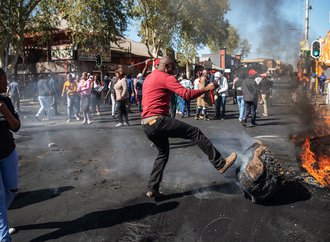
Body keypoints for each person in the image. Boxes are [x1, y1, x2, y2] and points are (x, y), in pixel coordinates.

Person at [141, 56, 237, 198]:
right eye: (173, 67)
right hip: (158, 121)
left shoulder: (149, 77)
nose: (175, 70)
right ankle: (220, 163)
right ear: (167, 66)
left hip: (146, 124)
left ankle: (152, 188)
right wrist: (206, 89)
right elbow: (186, 95)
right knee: (194, 132)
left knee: (163, 153)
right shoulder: (166, 77)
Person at [0, 68, 20, 241]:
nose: (7, 83)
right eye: (4, 79)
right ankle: (4, 237)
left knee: (12, 190)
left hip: (8, 152)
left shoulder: (5, 100)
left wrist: (4, 111)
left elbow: (16, 126)